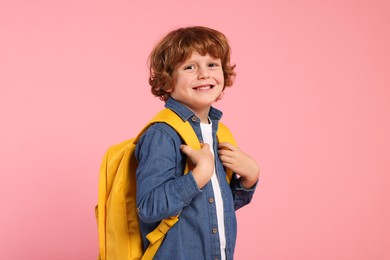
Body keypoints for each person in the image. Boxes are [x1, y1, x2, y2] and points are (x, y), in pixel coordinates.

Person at [135, 26, 260, 260]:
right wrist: (199, 176)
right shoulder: (162, 134)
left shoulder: (219, 133)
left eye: (212, 64)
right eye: (190, 67)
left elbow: (214, 208)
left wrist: (249, 179)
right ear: (167, 81)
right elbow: (149, 208)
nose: (204, 74)